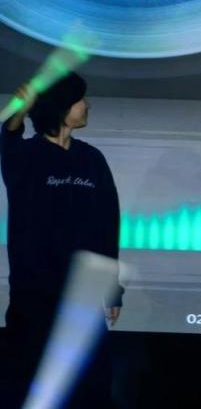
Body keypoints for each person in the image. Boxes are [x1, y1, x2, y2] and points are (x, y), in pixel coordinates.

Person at [1, 73, 122, 408]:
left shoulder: (92, 159)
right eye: (79, 99)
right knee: (29, 385)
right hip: (33, 297)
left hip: (83, 295)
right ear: (61, 107)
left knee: (92, 388)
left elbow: (107, 226)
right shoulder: (25, 157)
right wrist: (20, 109)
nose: (87, 105)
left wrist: (112, 289)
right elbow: (8, 137)